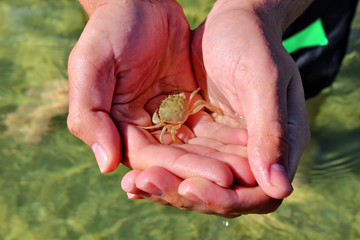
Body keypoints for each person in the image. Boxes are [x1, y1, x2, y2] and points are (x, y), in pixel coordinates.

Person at [67, 0, 358, 217]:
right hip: (143, 36)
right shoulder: (193, 102)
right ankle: (77, 86)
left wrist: (252, 11)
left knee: (278, 77)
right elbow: (188, 103)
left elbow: (175, 112)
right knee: (109, 57)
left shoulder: (185, 106)